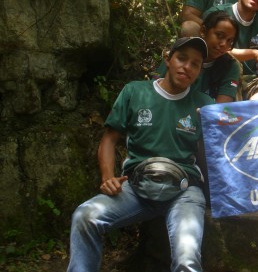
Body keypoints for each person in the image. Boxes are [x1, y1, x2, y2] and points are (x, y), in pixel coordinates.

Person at [67, 37, 213, 272]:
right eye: (182, 58)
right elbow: (109, 139)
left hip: (185, 190)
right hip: (137, 187)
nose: (187, 66)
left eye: (195, 64)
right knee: (85, 217)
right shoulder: (134, 92)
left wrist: (210, 128)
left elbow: (217, 152)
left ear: (198, 71)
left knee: (187, 260)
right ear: (168, 59)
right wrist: (107, 177)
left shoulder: (203, 104)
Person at [159, 10, 241, 103]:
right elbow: (156, 90)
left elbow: (221, 109)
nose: (224, 44)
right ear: (203, 31)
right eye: (220, 36)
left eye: (229, 41)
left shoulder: (230, 66)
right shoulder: (179, 53)